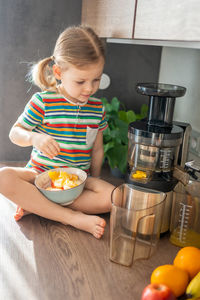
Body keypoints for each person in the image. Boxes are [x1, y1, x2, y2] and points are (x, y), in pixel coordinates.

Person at [0, 25, 115, 239]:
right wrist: (35, 138)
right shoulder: (43, 101)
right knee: (2, 178)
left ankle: (38, 206)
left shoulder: (97, 108)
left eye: (96, 79)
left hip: (78, 184)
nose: (89, 88)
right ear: (59, 72)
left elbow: (98, 151)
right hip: (40, 177)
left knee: (114, 197)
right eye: (81, 81)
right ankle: (71, 217)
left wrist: (93, 182)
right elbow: (15, 133)